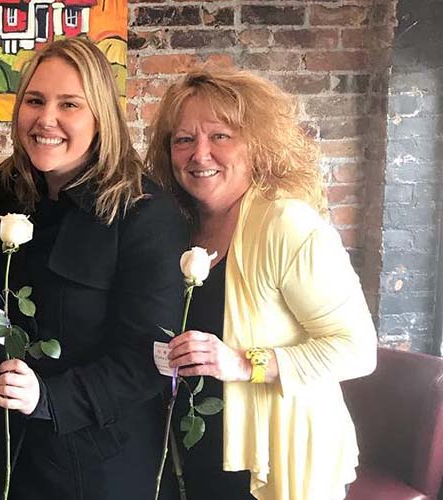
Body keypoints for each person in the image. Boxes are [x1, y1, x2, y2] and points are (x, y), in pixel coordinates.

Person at [0, 37, 188, 500]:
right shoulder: (3, 195)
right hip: (1, 453)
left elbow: (149, 361)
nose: (47, 120)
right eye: (35, 101)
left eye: (69, 104)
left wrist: (49, 398)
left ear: (100, 116)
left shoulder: (144, 213)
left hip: (93, 466)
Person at [149, 68, 377, 500]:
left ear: (256, 142)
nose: (200, 154)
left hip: (273, 459)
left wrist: (243, 362)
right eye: (183, 139)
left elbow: (358, 350)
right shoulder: (178, 225)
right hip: (195, 453)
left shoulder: (287, 224)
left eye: (221, 136)